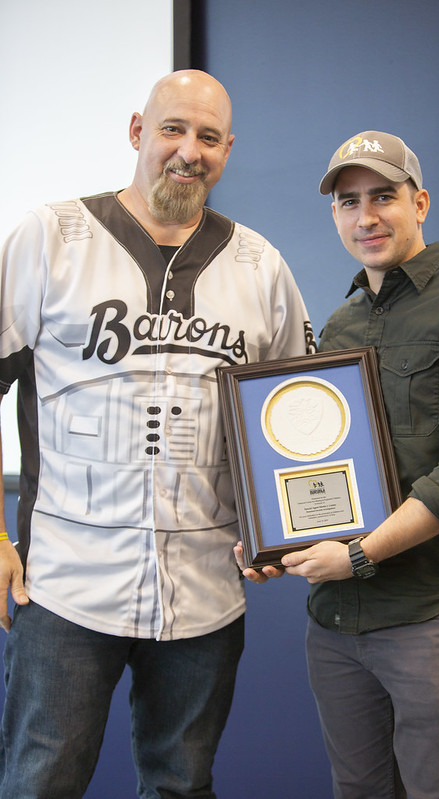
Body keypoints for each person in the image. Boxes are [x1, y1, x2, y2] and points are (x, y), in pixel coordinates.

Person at [0, 70, 315, 799]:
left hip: (204, 595)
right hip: (66, 586)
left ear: (227, 150)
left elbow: (298, 420)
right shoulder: (52, 237)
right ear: (138, 131)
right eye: (172, 129)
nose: (188, 150)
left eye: (208, 137)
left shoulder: (259, 266)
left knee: (181, 785)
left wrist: (280, 529)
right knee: (37, 782)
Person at [237, 130, 439, 798]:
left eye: (383, 197)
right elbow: (315, 468)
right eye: (347, 202)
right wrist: (269, 538)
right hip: (337, 625)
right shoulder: (339, 326)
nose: (365, 217)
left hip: (433, 618)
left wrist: (359, 553)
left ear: (419, 202)